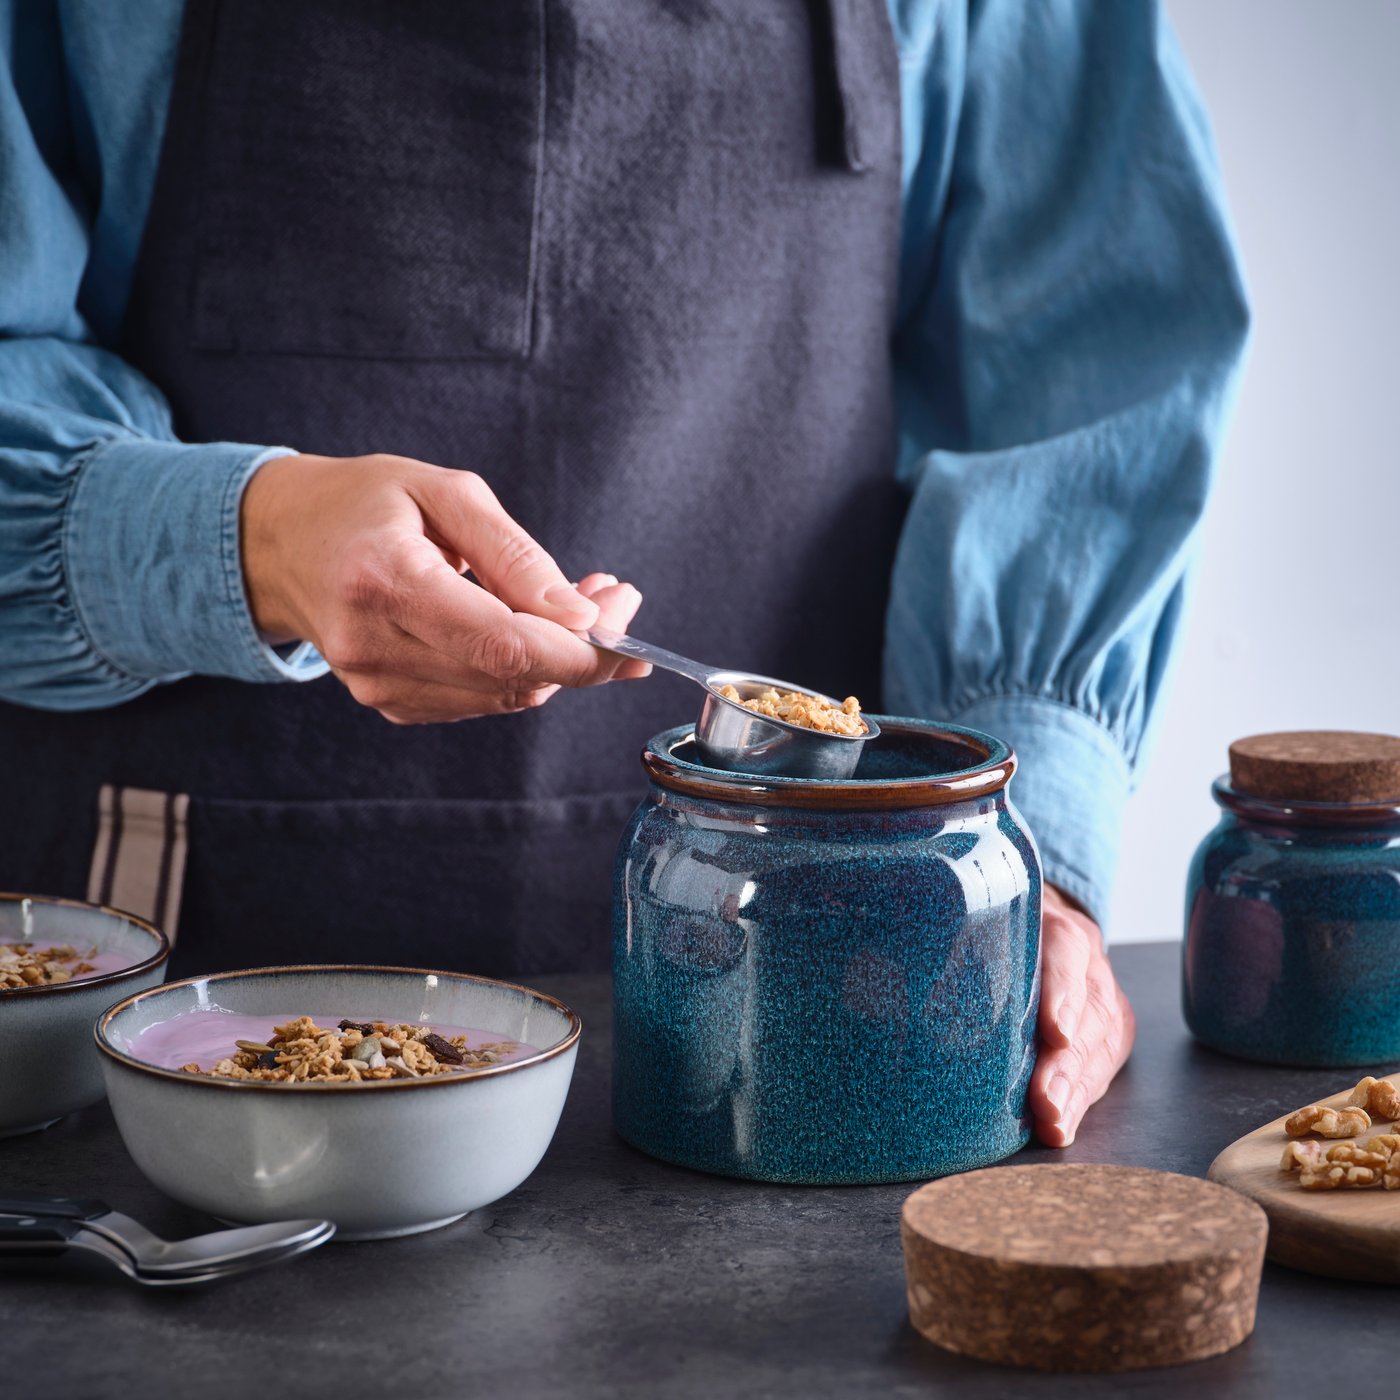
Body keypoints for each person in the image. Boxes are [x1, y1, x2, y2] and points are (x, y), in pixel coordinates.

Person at [0, 0, 1247, 1148]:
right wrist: (252, 538)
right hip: (169, 996)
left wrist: (1019, 868)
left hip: (830, 1025)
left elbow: (1083, 379)